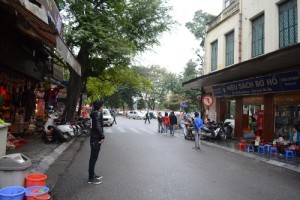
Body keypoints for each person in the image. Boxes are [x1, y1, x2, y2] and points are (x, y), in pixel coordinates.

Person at [88, 100, 105, 184]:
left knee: (93, 158)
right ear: (99, 106)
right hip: (96, 139)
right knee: (93, 159)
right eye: (102, 106)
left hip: (93, 138)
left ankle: (93, 175)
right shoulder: (97, 113)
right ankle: (91, 178)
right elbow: (98, 126)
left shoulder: (93, 113)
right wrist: (102, 136)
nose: (103, 107)